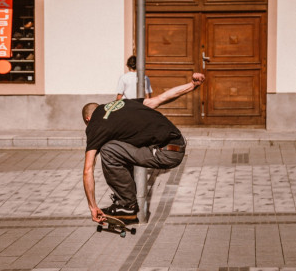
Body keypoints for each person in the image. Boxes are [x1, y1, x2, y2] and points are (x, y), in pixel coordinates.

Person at [82, 72, 205, 223]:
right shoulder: (123, 104)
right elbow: (161, 98)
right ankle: (126, 200)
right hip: (177, 142)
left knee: (108, 150)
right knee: (117, 145)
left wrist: (92, 206)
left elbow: (88, 169)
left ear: (88, 119)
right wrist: (192, 85)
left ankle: (127, 205)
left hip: (166, 152)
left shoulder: (95, 123)